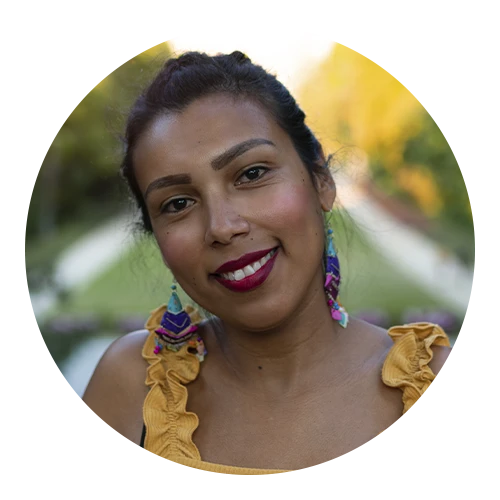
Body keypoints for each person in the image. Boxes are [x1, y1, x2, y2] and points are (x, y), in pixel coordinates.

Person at [81, 51, 495, 476]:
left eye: (251, 174)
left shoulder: (447, 393)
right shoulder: (133, 388)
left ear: (321, 180)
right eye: (178, 203)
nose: (222, 227)